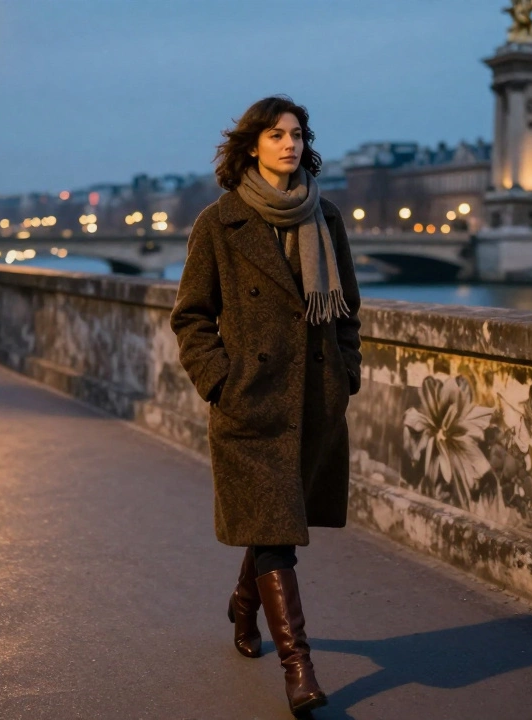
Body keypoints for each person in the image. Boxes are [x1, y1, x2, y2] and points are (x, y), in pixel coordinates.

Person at [170, 96, 362, 717]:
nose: (289, 144)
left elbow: (349, 310)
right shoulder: (219, 224)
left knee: (274, 523)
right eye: (276, 134)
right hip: (250, 406)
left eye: (297, 134)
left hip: (313, 401)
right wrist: (218, 380)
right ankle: (297, 668)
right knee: (278, 533)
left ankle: (243, 604)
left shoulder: (325, 218)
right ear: (252, 146)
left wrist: (346, 373)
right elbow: (192, 317)